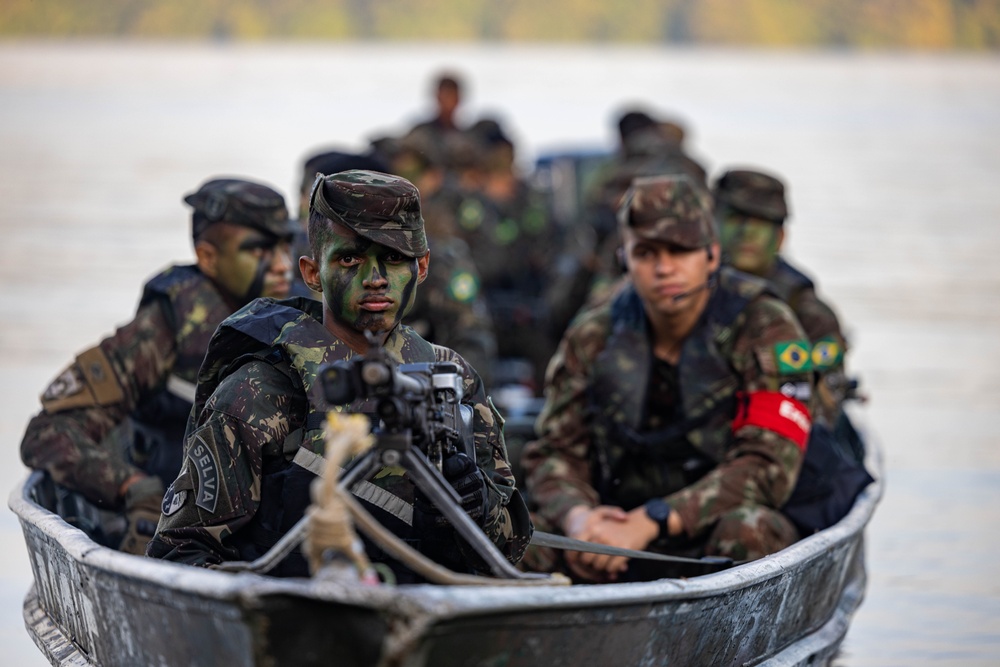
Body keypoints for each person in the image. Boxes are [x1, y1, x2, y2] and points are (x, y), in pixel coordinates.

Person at [148, 170, 531, 580]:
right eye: (350, 259)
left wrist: (478, 506)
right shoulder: (257, 393)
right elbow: (180, 554)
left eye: (395, 259)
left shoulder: (453, 381)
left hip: (428, 623)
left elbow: (506, 550)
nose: (376, 279)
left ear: (421, 267)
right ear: (313, 273)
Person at [521, 174, 814, 583]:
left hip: (709, 531)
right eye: (646, 253)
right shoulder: (595, 333)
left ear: (712, 256)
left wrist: (656, 520)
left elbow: (767, 467)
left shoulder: (763, 326)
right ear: (625, 258)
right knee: (513, 534)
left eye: (680, 251)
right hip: (612, 532)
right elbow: (553, 452)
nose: (664, 268)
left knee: (747, 531)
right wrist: (579, 519)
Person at [21, 178, 295, 555]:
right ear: (208, 257)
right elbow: (48, 433)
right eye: (260, 250)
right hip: (177, 522)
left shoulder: (304, 312)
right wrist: (131, 486)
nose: (283, 265)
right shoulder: (167, 325)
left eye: (286, 246)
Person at [713, 168, 852, 424]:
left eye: (760, 223)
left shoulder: (808, 311)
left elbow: (824, 407)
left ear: (780, 237)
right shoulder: (686, 290)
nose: (746, 232)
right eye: (735, 219)